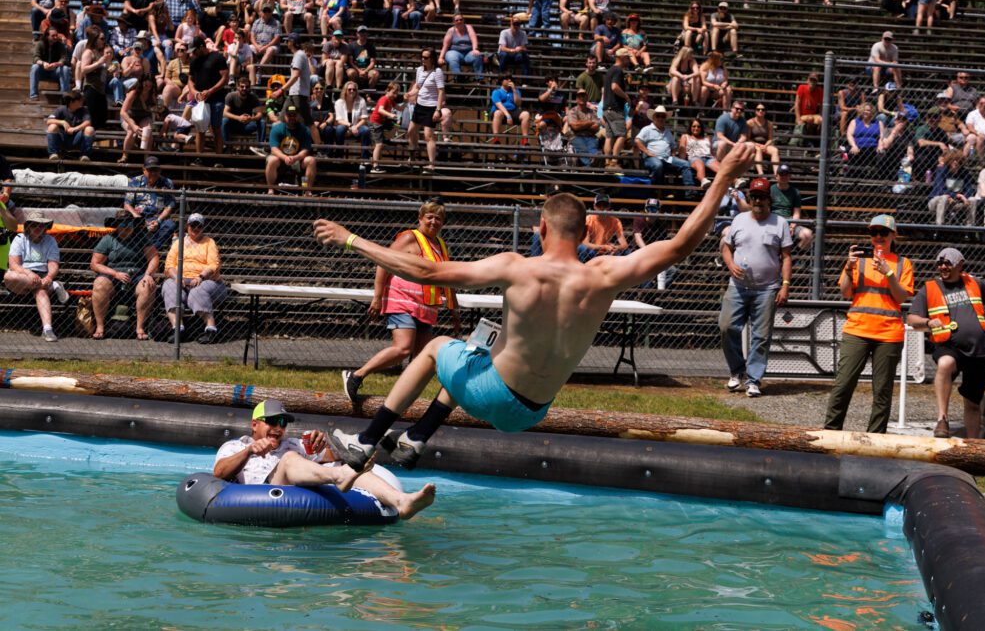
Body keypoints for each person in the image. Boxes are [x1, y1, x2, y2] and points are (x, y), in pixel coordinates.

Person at [312, 145, 758, 471]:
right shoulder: (603, 275)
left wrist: (352, 239)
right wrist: (724, 178)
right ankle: (414, 439)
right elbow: (681, 245)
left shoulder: (517, 267)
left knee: (436, 349)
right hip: (533, 410)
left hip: (489, 395)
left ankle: (366, 442)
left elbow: (425, 273)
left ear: (541, 226)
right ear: (584, 230)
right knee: (476, 347)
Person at [213, 399, 435, 519]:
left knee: (351, 465)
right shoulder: (236, 446)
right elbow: (219, 473)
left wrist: (323, 444)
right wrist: (250, 451)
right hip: (263, 495)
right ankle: (339, 477)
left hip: (301, 490)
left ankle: (400, 501)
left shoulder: (294, 444)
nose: (278, 428)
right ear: (255, 424)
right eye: (272, 422)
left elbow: (335, 457)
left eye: (283, 423)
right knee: (290, 459)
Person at [342, 200, 462, 403]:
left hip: (426, 307)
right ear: (420, 218)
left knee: (421, 359)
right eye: (430, 217)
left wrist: (454, 310)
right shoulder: (409, 237)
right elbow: (384, 262)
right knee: (403, 348)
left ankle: (400, 399)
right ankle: (356, 376)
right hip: (403, 300)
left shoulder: (440, 245)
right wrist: (378, 297)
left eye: (439, 218)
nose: (434, 221)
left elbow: (446, 278)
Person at [824, 215, 913, 434]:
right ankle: (830, 433)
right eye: (874, 233)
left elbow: (902, 297)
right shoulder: (859, 260)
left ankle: (875, 439)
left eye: (883, 233)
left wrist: (888, 273)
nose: (878, 237)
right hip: (857, 330)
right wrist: (848, 267)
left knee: (882, 391)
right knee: (843, 384)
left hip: (889, 334)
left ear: (894, 235)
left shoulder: (903, 263)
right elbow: (845, 292)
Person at [907, 248, 985, 439]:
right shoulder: (930, 288)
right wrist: (927, 322)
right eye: (940, 264)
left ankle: (973, 444)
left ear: (960, 264)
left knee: (972, 403)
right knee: (945, 363)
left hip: (979, 350)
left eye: (948, 263)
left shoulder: (973, 282)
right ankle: (942, 418)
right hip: (949, 345)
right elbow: (911, 319)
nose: (943, 267)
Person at [719, 177, 791, 398]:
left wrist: (785, 285)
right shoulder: (739, 220)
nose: (758, 200)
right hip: (738, 286)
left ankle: (753, 380)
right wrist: (731, 265)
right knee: (727, 327)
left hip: (767, 288)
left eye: (762, 197)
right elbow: (726, 248)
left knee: (761, 336)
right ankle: (737, 371)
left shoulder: (780, 223)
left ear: (769, 200)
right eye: (755, 196)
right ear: (749, 198)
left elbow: (786, 257)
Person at [90, 210, 159, 340]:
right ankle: (100, 327)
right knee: (99, 284)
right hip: (113, 277)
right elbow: (95, 264)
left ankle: (140, 327)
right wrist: (115, 273)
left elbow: (154, 257)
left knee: (148, 285)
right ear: (117, 225)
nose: (126, 228)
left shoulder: (141, 237)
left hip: (137, 275)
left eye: (129, 225)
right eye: (123, 225)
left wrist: (148, 274)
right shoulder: (108, 239)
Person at [3, 211, 69, 342]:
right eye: (34, 225)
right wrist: (29, 273)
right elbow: (13, 264)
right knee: (9, 276)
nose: (37, 228)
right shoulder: (20, 239)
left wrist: (49, 277)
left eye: (41, 225)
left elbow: (53, 264)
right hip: (24, 276)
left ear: (45, 227)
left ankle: (48, 330)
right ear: (28, 227)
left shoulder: (51, 241)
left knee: (41, 292)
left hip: (44, 276)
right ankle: (54, 285)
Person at [162, 212, 227, 344]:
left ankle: (211, 329)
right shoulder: (179, 242)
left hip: (207, 280)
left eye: (199, 226)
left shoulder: (209, 242)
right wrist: (177, 278)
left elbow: (214, 264)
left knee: (198, 292)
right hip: (181, 279)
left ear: (203, 227)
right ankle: (178, 329)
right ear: (187, 226)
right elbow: (169, 265)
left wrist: (201, 277)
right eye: (193, 225)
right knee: (169, 286)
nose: (196, 229)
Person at [406, 47, 450, 172]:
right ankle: (413, 155)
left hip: (431, 106)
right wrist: (410, 94)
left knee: (428, 136)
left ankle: (431, 164)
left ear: (432, 59)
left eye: (426, 57)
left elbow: (441, 91)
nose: (423, 60)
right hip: (420, 104)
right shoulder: (419, 70)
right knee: (410, 131)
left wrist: (438, 109)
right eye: (422, 57)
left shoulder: (437, 72)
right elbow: (418, 87)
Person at [188, 37, 229, 157]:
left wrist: (210, 91)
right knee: (200, 130)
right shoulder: (194, 61)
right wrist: (195, 92)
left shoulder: (217, 58)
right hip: (201, 101)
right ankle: (199, 157)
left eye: (194, 50)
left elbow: (225, 78)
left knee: (216, 129)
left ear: (201, 47)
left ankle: (219, 158)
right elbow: (190, 80)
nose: (192, 53)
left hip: (216, 99)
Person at [124, 155, 176, 249]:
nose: (153, 173)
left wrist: (158, 221)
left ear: (160, 170)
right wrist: (139, 219)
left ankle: (151, 249)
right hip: (138, 217)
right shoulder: (134, 181)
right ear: (143, 169)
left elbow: (170, 206)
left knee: (170, 224)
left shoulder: (167, 183)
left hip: (157, 218)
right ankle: (147, 249)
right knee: (127, 223)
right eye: (150, 170)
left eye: (155, 170)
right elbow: (127, 204)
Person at [634, 105, 691, 186]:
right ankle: (656, 190)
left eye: (663, 116)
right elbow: (637, 140)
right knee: (658, 165)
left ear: (665, 118)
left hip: (667, 159)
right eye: (658, 116)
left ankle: (690, 192)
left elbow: (673, 146)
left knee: (686, 164)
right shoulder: (647, 129)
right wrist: (647, 152)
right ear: (653, 117)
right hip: (651, 158)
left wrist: (673, 153)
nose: (660, 118)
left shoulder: (668, 132)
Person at [266, 103, 316, 194]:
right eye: (289, 115)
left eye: (294, 115)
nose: (292, 117)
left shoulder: (305, 130)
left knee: (311, 160)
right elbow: (274, 149)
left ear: (298, 116)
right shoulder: (277, 129)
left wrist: (295, 157)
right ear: (285, 116)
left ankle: (308, 190)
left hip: (298, 159)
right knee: (272, 159)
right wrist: (285, 157)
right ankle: (270, 189)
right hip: (280, 159)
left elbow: (305, 150)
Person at [770, 165, 812, 251]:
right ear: (776, 176)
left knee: (807, 234)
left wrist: (792, 226)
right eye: (781, 174)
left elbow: (796, 212)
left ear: (789, 176)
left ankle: (797, 255)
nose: (784, 176)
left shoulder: (795, 192)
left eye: (786, 174)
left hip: (789, 221)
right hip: (773, 221)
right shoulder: (770, 190)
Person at [602, 48, 631, 169]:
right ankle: (614, 161)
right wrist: (626, 96)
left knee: (609, 136)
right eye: (628, 58)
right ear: (622, 58)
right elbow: (614, 87)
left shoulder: (610, 70)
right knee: (622, 135)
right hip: (615, 108)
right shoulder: (618, 70)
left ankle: (607, 162)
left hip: (606, 108)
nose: (629, 60)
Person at [928, 150, 974, 225]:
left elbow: (969, 189)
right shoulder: (941, 171)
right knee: (944, 197)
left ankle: (969, 227)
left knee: (973, 199)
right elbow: (940, 190)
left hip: (955, 202)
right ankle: (939, 226)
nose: (955, 162)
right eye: (953, 160)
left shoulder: (965, 173)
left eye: (958, 160)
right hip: (936, 201)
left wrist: (964, 197)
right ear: (949, 160)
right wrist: (957, 195)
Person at [45, 89, 94, 161]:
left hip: (77, 138)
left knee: (90, 129)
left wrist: (76, 128)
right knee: (52, 127)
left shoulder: (84, 110)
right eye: (79, 100)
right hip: (62, 138)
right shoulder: (61, 109)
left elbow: (88, 122)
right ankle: (53, 154)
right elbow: (49, 121)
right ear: (71, 102)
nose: (82, 102)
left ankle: (84, 155)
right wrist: (62, 122)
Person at [30, 26, 72, 101]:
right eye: (53, 36)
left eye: (56, 35)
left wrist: (57, 64)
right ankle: (34, 95)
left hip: (55, 71)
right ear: (47, 36)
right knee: (34, 67)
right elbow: (35, 58)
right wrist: (43, 63)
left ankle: (64, 96)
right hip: (43, 71)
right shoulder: (40, 44)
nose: (55, 37)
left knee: (65, 69)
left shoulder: (60, 45)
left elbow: (64, 58)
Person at [581, 192, 628, 259]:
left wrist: (615, 248)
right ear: (594, 206)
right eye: (599, 205)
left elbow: (624, 245)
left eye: (605, 205)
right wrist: (603, 247)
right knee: (583, 249)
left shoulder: (615, 221)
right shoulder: (588, 219)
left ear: (609, 206)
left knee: (626, 252)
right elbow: (585, 243)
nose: (602, 208)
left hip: (607, 250)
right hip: (592, 250)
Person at [488, 74, 530, 147]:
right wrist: (508, 116)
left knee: (526, 114)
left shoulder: (516, 91)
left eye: (510, 79)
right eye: (507, 79)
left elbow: (518, 103)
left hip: (513, 110)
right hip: (501, 112)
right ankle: (496, 138)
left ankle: (525, 139)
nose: (509, 81)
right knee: (498, 113)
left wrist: (514, 91)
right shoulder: (496, 91)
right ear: (502, 81)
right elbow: (499, 105)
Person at [439, 14, 483, 81]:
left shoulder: (468, 27)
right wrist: (441, 57)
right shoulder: (451, 30)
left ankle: (479, 78)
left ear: (463, 20)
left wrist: (475, 49)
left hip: (468, 52)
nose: (459, 21)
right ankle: (458, 77)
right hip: (455, 52)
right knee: (452, 57)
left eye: (461, 19)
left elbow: (474, 39)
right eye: (457, 20)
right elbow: (445, 45)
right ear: (453, 22)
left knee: (477, 55)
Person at [368, 81, 400, 174]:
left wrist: (407, 100)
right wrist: (390, 114)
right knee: (379, 145)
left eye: (396, 93)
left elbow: (400, 108)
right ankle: (375, 166)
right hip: (375, 123)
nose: (395, 95)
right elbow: (380, 110)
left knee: (397, 124)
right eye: (393, 92)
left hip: (383, 122)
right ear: (388, 90)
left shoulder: (391, 101)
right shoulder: (384, 99)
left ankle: (386, 138)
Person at [222, 76, 266, 144]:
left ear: (249, 87)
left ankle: (260, 147)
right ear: (238, 87)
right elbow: (225, 113)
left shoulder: (254, 97)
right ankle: (225, 145)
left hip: (248, 124)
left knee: (262, 122)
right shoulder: (231, 96)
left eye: (247, 87)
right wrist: (238, 118)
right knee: (225, 120)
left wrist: (251, 118)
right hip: (233, 125)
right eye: (242, 86)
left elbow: (259, 114)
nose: (244, 88)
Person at [565, 88, 599, 167]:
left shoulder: (592, 112)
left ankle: (589, 167)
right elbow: (575, 127)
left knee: (593, 150)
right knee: (583, 149)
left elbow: (596, 127)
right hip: (576, 136)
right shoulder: (572, 111)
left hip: (590, 136)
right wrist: (589, 123)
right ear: (576, 99)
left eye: (583, 96)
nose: (582, 98)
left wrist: (581, 124)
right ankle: (589, 167)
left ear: (587, 98)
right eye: (579, 96)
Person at [747, 102, 779, 176]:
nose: (760, 111)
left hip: (765, 145)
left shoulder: (769, 124)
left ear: (765, 111)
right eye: (758, 109)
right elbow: (748, 139)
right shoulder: (750, 123)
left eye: (763, 109)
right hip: (753, 144)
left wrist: (765, 146)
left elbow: (770, 139)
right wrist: (757, 145)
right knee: (758, 150)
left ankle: (777, 173)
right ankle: (761, 173)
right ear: (755, 111)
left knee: (775, 150)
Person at [793, 71, 823, 140]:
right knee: (810, 118)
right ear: (807, 80)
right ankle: (808, 140)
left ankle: (817, 141)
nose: (812, 82)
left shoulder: (820, 90)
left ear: (817, 82)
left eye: (814, 80)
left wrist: (821, 115)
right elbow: (797, 104)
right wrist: (798, 118)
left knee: (821, 120)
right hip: (802, 115)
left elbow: (821, 106)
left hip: (812, 115)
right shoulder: (801, 87)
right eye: (811, 80)